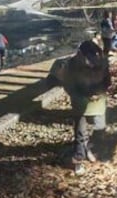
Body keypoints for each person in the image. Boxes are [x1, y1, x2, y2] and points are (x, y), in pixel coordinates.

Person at [47, 41, 111, 175]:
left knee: (100, 127)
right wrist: (82, 95)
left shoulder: (102, 62)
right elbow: (69, 85)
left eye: (94, 58)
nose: (91, 62)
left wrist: (98, 92)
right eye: (88, 59)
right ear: (81, 55)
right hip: (80, 100)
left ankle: (90, 148)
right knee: (80, 132)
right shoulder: (72, 65)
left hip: (97, 100)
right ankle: (78, 159)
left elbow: (107, 81)